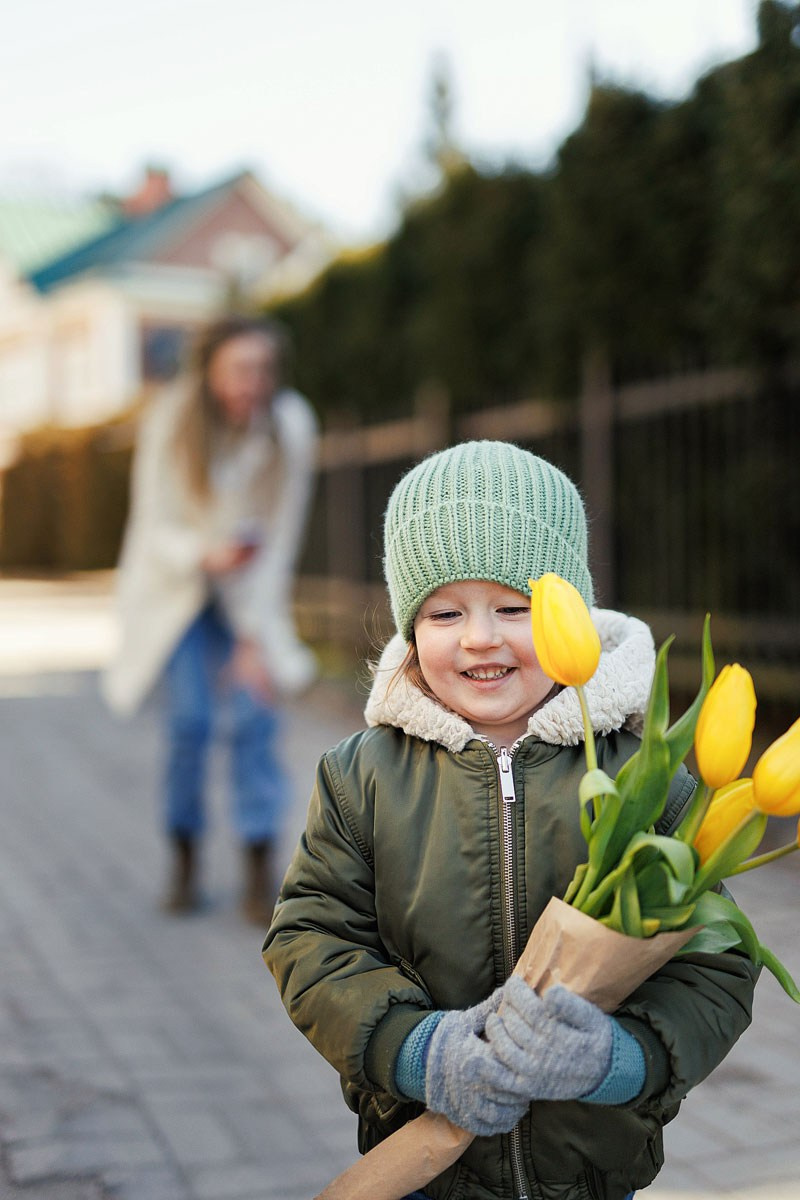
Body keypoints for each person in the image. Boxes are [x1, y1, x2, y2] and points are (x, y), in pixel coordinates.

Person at [263, 440, 758, 1200]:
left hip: (590, 1174)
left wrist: (617, 1060)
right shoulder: (361, 776)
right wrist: (417, 1049)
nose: (479, 638)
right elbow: (310, 938)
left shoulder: (642, 775)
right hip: (429, 1164)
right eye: (444, 611)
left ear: (572, 616)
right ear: (409, 625)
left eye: (515, 608)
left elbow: (713, 966)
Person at [103, 313, 318, 923]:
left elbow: (281, 539)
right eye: (239, 369)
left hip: (248, 596)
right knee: (191, 725)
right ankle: (185, 858)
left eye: (263, 369)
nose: (253, 382)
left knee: (255, 719)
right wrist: (205, 555)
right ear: (211, 370)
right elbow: (152, 525)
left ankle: (257, 868)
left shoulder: (291, 424)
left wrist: (255, 636)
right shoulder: (173, 417)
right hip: (177, 595)